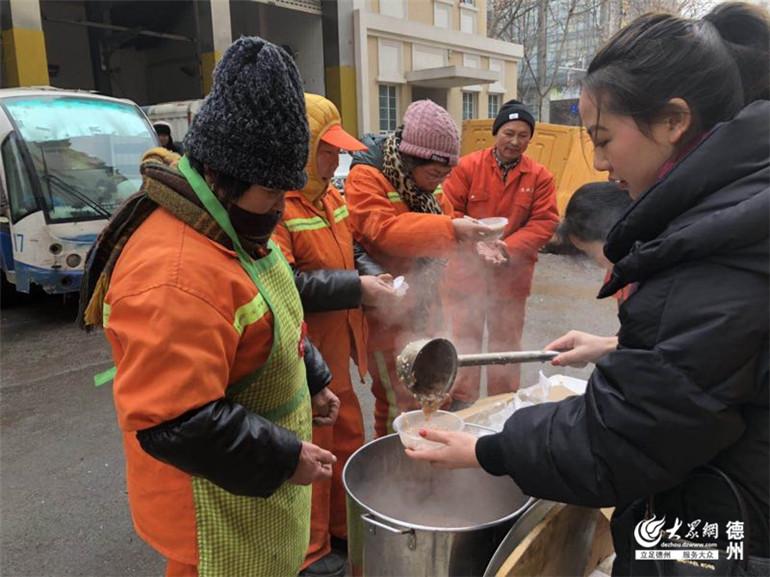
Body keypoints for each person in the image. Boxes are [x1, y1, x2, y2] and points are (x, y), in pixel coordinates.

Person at [408, 3, 769, 574]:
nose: (599, 163)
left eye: (604, 138)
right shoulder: (731, 216)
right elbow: (707, 365)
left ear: (674, 121)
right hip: (718, 503)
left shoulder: (719, 246)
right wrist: (617, 349)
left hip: (730, 535)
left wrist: (487, 448)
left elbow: (624, 439)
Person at [79, 38, 341, 577]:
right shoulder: (173, 274)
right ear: (225, 174)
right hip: (210, 511)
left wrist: (313, 377)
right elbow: (175, 421)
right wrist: (283, 457)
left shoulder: (230, 226)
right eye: (271, 193)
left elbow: (276, 303)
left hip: (253, 496)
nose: (278, 208)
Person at [273, 93, 396, 577]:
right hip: (306, 357)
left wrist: (373, 277)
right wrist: (356, 285)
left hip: (341, 350)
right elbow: (286, 286)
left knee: (348, 441)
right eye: (327, 150)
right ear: (302, 148)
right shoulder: (278, 208)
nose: (338, 158)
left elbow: (353, 250)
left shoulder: (331, 196)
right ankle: (313, 553)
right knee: (314, 456)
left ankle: (345, 531)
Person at [345, 99, 493, 436]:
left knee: (429, 390)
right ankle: (393, 466)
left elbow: (446, 218)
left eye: (446, 175)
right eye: (434, 174)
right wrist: (453, 231)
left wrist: (476, 238)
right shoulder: (367, 177)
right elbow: (383, 231)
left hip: (424, 306)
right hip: (385, 312)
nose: (439, 182)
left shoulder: (425, 187)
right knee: (397, 401)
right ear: (410, 158)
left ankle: (425, 466)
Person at [442, 100, 559, 401]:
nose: (515, 141)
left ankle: (502, 405)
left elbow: (545, 221)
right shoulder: (468, 167)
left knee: (505, 348)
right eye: (509, 133)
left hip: (511, 279)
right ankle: (462, 404)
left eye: (523, 135)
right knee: (464, 343)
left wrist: (508, 247)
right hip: (466, 276)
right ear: (497, 132)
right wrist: (475, 241)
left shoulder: (539, 176)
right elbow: (447, 210)